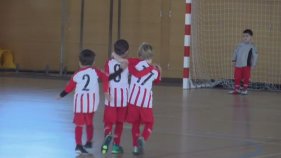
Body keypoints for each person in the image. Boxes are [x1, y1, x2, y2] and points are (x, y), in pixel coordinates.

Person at [101, 39, 154, 155]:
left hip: (110, 96)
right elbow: (142, 66)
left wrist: (106, 92)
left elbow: (106, 78)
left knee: (108, 121)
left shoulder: (108, 63)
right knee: (120, 123)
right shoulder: (129, 62)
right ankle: (116, 146)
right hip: (123, 98)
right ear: (126, 52)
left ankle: (108, 133)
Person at [113, 42, 161, 155]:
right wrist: (159, 70)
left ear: (139, 54)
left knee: (135, 125)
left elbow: (123, 61)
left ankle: (135, 147)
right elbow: (157, 80)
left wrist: (114, 55)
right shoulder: (154, 71)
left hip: (133, 101)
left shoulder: (134, 64)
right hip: (145, 103)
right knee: (150, 123)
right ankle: (143, 138)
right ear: (152, 55)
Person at [58, 49, 109, 154]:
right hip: (92, 104)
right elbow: (105, 77)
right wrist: (106, 91)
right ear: (93, 62)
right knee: (89, 123)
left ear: (79, 62)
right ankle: (89, 141)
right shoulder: (96, 71)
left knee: (79, 125)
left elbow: (69, 88)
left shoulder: (77, 74)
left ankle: (78, 145)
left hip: (80, 105)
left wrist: (61, 95)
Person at [229, 29, 258, 95]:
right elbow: (235, 53)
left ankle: (245, 90)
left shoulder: (252, 46)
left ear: (251, 37)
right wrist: (234, 60)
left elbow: (255, 55)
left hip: (246, 65)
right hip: (238, 65)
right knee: (237, 77)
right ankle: (237, 89)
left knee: (246, 77)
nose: (245, 38)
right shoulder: (239, 45)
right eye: (244, 36)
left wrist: (254, 64)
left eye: (247, 36)